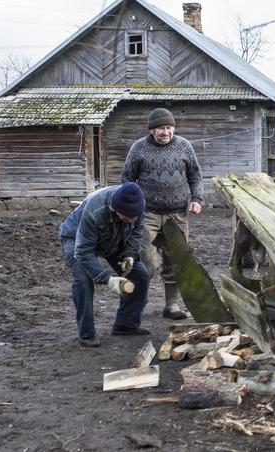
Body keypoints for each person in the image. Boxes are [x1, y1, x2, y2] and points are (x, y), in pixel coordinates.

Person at [120, 108, 204, 320]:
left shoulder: (184, 146)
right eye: (160, 129)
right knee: (147, 261)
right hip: (147, 214)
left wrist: (197, 199)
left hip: (178, 214)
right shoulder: (139, 149)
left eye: (168, 128)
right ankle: (136, 304)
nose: (165, 132)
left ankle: (172, 305)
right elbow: (127, 179)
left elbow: (195, 175)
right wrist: (133, 206)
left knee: (176, 259)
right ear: (152, 130)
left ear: (173, 128)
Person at [59, 182, 151, 347]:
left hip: (113, 238)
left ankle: (126, 325)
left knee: (141, 275)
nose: (131, 219)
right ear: (114, 209)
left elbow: (137, 230)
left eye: (134, 216)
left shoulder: (138, 207)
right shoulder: (94, 211)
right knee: (83, 282)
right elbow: (83, 251)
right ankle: (86, 334)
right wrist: (108, 279)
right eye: (127, 216)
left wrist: (129, 255)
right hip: (76, 239)